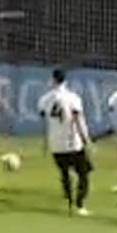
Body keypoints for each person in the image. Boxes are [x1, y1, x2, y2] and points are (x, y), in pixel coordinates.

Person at [38, 69, 93, 216]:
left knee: (64, 173)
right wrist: (86, 140)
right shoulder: (72, 98)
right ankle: (80, 205)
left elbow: (44, 123)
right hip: (72, 142)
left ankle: (69, 203)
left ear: (53, 80)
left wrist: (45, 142)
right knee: (84, 173)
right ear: (65, 81)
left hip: (55, 143)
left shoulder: (44, 99)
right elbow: (78, 120)